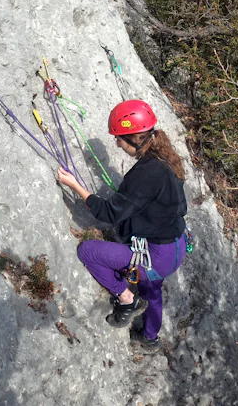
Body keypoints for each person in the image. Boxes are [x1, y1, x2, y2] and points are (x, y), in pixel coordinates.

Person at [57, 99, 188, 353]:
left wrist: (75, 186)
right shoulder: (164, 156)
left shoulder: (147, 173)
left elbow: (108, 212)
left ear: (136, 137)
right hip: (176, 247)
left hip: (156, 255)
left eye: (119, 138)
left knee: (88, 252)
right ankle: (149, 338)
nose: (116, 143)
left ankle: (126, 299)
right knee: (152, 288)